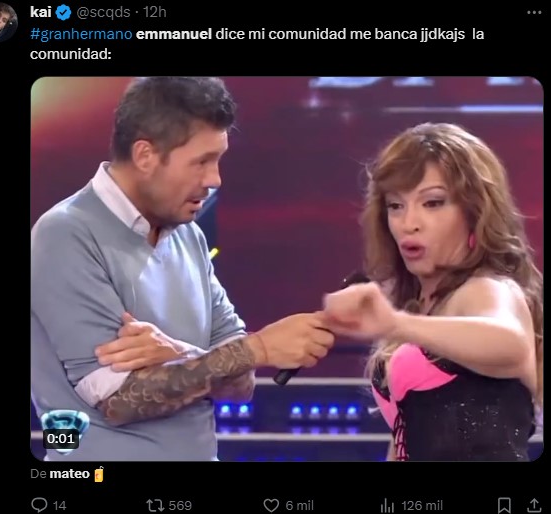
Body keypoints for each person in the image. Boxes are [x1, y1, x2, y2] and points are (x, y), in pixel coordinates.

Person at [31, 76, 334, 461]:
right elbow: (119, 401)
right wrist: (257, 348)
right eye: (201, 161)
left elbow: (241, 384)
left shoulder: (189, 236)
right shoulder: (65, 233)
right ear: (145, 156)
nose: (214, 179)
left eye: (217, 160)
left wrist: (176, 351)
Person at [322, 122, 542, 461]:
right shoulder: (420, 305)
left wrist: (396, 324)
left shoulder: (485, 288)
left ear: (474, 212)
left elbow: (511, 343)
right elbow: (407, 438)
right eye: (395, 206)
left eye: (433, 203)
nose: (409, 223)